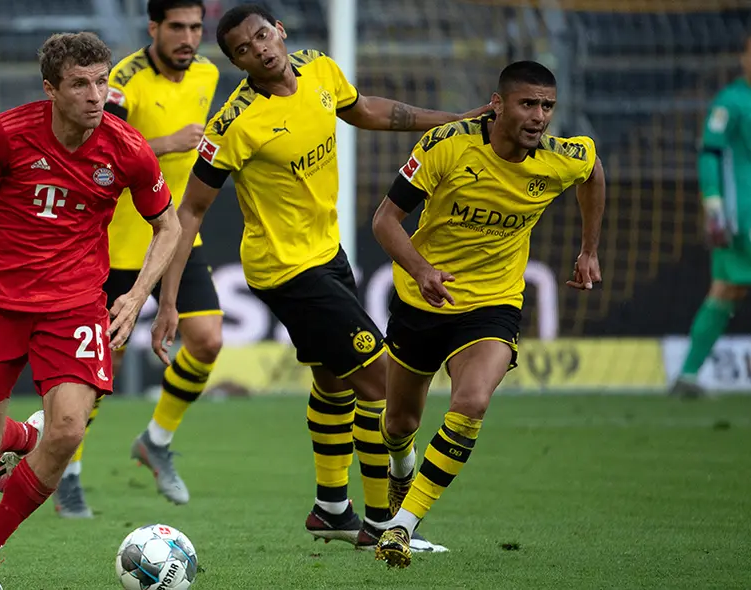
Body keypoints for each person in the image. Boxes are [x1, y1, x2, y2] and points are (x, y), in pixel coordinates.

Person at [150, 2, 488, 550]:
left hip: (326, 254)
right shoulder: (235, 124)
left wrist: (454, 122)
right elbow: (189, 211)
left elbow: (366, 109)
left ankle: (332, 509)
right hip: (286, 271)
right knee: (380, 381)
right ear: (238, 63)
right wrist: (170, 301)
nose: (259, 49)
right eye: (243, 49)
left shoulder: (320, 69)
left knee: (335, 383)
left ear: (279, 31)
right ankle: (386, 523)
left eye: (262, 35)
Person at [0, 32, 181, 589]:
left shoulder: (128, 149)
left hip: (73, 305)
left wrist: (138, 292)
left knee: (70, 429)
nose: (96, 95)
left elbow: (167, 227)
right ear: (51, 89)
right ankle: (26, 438)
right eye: (80, 84)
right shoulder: (7, 133)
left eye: (102, 81)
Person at [370, 61, 606, 567]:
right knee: (398, 423)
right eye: (528, 104)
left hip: (493, 305)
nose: (540, 116)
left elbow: (592, 170)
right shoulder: (446, 146)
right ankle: (398, 474)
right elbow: (385, 221)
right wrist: (422, 269)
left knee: (472, 401)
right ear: (498, 104)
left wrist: (589, 249)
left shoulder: (563, 156)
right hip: (422, 300)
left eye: (547, 106)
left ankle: (401, 527)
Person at [54, 0, 222, 518]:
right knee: (101, 366)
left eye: (196, 26)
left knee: (208, 339)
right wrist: (166, 142)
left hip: (173, 238)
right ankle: (68, 473)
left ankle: (157, 439)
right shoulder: (121, 80)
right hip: (112, 244)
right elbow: (92, 142)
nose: (188, 36)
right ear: (154, 28)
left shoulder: (209, 73)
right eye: (177, 27)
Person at [671, 36, 751, 399]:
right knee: (725, 289)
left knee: (727, 290)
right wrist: (715, 207)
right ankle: (687, 375)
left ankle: (687, 375)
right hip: (741, 215)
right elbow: (710, 155)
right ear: (743, 57)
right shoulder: (731, 103)